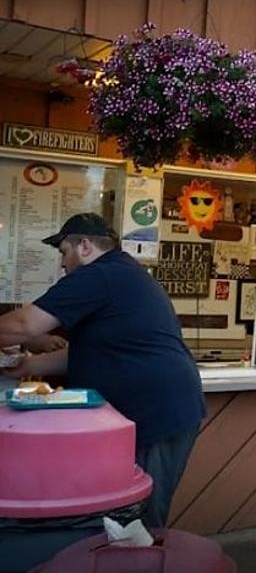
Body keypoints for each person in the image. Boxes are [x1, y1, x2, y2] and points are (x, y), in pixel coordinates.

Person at [0, 213, 206, 528]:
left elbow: (23, 326)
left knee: (136, 515)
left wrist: (26, 342)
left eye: (63, 252)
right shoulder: (118, 274)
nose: (62, 263)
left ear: (84, 246)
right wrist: (29, 366)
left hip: (156, 413)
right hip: (145, 411)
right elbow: (90, 352)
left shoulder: (100, 275)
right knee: (117, 513)